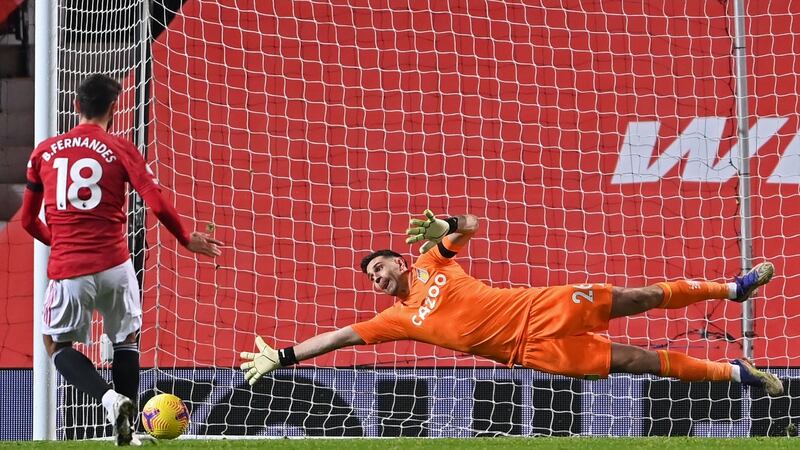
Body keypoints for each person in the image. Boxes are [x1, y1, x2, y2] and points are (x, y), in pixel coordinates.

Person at [240, 209, 783, 398]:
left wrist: (445, 227)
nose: (376, 277)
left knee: (635, 299)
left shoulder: (433, 260)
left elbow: (473, 224)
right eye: (370, 277)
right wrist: (283, 356)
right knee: (635, 361)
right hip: (530, 354)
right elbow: (336, 339)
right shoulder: (393, 320)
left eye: (380, 267)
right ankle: (736, 373)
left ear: (402, 260)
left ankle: (730, 288)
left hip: (539, 308)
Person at [21, 74, 222, 446]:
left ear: (77, 105)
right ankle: (127, 431)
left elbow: (27, 220)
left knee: (56, 345)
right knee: (126, 340)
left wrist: (60, 241)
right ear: (115, 107)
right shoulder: (120, 147)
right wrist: (185, 238)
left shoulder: (44, 152)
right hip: (116, 265)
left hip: (69, 270)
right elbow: (156, 200)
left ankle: (109, 400)